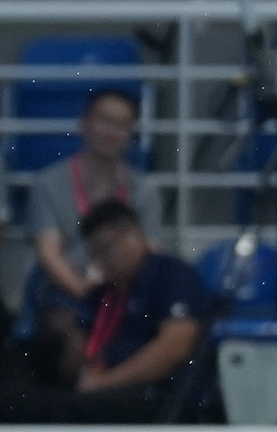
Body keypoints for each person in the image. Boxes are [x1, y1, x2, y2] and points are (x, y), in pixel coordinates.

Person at [0, 200, 206, 424]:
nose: (101, 261)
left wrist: (105, 382)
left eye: (106, 249)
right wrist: (71, 337)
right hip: (96, 381)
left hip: (144, 393)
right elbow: (78, 335)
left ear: (134, 234)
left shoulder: (170, 274)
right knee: (16, 356)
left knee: (46, 409)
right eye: (94, 255)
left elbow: (176, 344)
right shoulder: (105, 290)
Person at [23, 89, 164, 309]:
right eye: (105, 121)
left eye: (122, 125)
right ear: (84, 124)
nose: (112, 132)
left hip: (124, 294)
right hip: (65, 293)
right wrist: (83, 292)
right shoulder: (49, 183)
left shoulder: (145, 190)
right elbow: (49, 253)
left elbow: (150, 253)